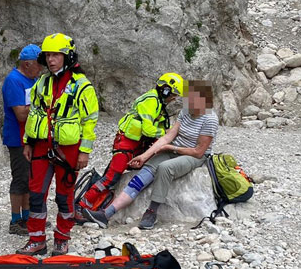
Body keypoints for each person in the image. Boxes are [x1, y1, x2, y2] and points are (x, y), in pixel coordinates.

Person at [84, 80, 218, 230]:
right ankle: (106, 214)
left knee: (165, 168)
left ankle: (152, 212)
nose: (188, 104)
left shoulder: (210, 119)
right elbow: (167, 137)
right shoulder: (185, 111)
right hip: (174, 148)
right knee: (145, 172)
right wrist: (145, 156)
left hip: (193, 155)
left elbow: (199, 151)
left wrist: (171, 148)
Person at [17, 33, 99, 256]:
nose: (51, 59)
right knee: (36, 195)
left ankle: (62, 239)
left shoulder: (83, 86)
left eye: (56, 55)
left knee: (64, 197)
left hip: (68, 150)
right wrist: (28, 143)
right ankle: (36, 240)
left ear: (68, 56)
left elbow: (89, 121)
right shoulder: (42, 82)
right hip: (42, 147)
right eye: (48, 55)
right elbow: (34, 113)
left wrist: (84, 152)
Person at [76, 73, 185, 217]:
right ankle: (80, 206)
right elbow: (148, 129)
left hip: (135, 144)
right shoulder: (151, 101)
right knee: (110, 178)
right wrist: (166, 132)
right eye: (174, 94)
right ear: (165, 90)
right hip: (126, 143)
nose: (174, 98)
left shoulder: (158, 103)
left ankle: (91, 205)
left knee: (113, 176)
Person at [1, 44, 43, 235]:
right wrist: (43, 106)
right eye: (38, 64)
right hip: (17, 139)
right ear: (27, 64)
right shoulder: (14, 81)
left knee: (29, 178)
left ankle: (27, 217)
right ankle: (15, 220)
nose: (41, 68)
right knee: (20, 179)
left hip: (30, 137)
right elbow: (20, 114)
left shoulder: (32, 79)